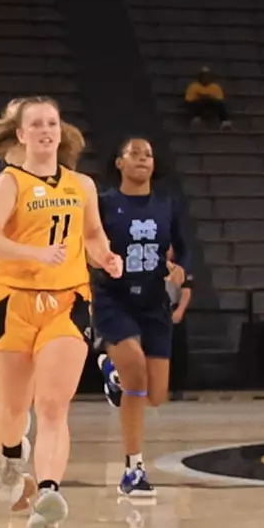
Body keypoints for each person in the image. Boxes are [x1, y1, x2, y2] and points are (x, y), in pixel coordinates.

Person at [0, 97, 123, 528]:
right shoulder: (9, 183)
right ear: (20, 134)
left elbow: (93, 236)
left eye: (52, 123)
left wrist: (106, 257)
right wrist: (33, 252)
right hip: (13, 303)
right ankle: (9, 459)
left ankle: (50, 492)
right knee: (12, 407)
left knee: (54, 405)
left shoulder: (83, 185)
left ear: (61, 131)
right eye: (36, 124)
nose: (45, 130)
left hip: (67, 302)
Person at [91, 137, 195, 499]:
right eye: (134, 153)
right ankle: (133, 469)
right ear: (118, 162)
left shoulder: (167, 204)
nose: (142, 158)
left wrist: (182, 273)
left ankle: (111, 371)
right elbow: (87, 242)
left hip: (154, 302)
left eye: (148, 154)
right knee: (135, 374)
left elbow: (184, 249)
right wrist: (98, 259)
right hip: (113, 297)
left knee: (155, 395)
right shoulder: (103, 203)